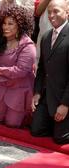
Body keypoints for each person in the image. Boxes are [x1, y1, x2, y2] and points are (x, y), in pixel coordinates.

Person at [31, 0, 69, 144]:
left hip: (64, 98)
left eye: (56, 11)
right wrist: (37, 92)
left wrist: (65, 104)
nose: (51, 15)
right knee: (36, 131)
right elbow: (41, 69)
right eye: (49, 12)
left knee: (60, 138)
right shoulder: (46, 36)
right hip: (47, 96)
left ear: (67, 12)